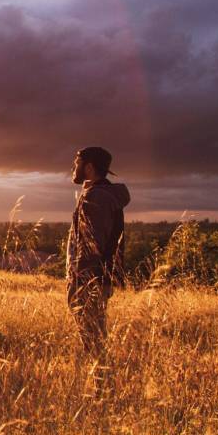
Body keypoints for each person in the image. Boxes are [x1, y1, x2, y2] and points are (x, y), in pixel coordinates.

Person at [66, 146, 131, 354]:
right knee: (93, 335)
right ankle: (99, 376)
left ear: (89, 167)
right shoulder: (97, 194)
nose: (73, 168)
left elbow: (94, 244)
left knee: (93, 338)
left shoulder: (97, 197)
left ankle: (100, 379)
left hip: (90, 278)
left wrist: (83, 278)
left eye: (77, 163)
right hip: (94, 277)